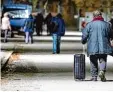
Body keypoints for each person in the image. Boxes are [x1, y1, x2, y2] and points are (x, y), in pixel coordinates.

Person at [82, 10, 113, 82]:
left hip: (92, 47)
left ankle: (94, 76)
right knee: (102, 60)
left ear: (93, 16)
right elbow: (111, 34)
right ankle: (102, 71)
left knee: (93, 61)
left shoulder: (89, 25)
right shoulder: (107, 24)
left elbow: (85, 35)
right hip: (104, 46)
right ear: (101, 15)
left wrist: (83, 41)